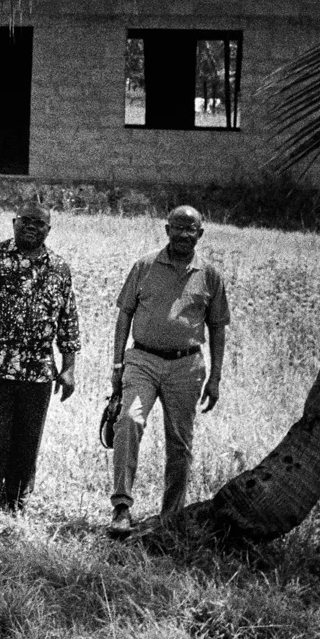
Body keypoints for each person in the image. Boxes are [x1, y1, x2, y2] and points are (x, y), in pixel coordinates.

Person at [108, 204, 229, 537]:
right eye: (178, 228)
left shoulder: (210, 274)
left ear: (200, 234)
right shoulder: (144, 266)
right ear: (167, 230)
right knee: (129, 421)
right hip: (143, 362)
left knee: (180, 441)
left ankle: (170, 517)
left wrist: (215, 376)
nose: (184, 235)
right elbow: (124, 316)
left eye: (191, 229)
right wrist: (118, 365)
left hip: (186, 367)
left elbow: (218, 327)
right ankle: (121, 508)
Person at [0, 197, 79, 510]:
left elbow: (68, 322)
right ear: (14, 223)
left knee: (27, 444)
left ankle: (16, 506)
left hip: (38, 372)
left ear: (48, 229)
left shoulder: (59, 269)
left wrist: (68, 369)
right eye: (25, 220)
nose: (31, 227)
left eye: (38, 223)